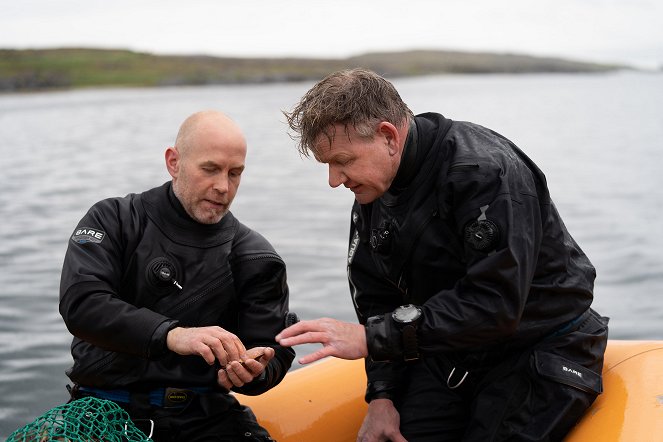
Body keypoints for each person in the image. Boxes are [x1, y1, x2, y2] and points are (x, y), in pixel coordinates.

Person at [276, 69, 608, 441]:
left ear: (388, 136)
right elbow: (377, 299)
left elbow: (494, 304)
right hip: (454, 350)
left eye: (343, 161)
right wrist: (382, 395)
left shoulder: (483, 173)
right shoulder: (373, 190)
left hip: (542, 343)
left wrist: (371, 338)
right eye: (328, 166)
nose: (335, 180)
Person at [59, 110, 295, 441]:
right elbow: (82, 304)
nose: (223, 187)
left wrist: (255, 372)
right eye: (210, 169)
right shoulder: (114, 220)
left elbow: (273, 348)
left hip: (203, 416)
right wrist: (172, 335)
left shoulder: (255, 256)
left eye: (235, 173)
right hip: (103, 408)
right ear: (174, 162)